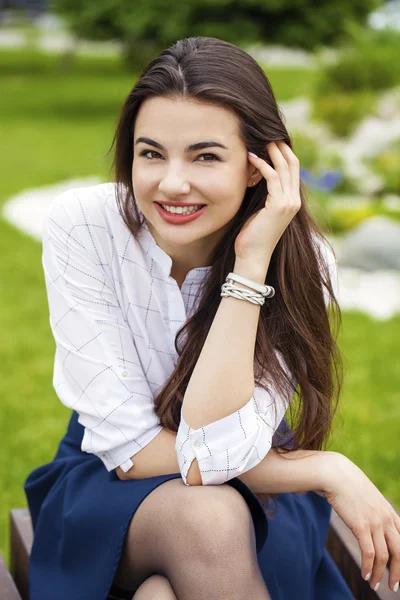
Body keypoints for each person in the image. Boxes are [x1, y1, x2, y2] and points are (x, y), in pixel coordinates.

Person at [24, 36, 400, 600]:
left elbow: (218, 451)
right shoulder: (85, 227)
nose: (172, 184)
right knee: (208, 516)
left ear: (259, 167)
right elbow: (129, 454)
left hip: (259, 493)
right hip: (104, 482)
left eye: (205, 156)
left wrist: (250, 266)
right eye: (151, 153)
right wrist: (325, 470)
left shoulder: (301, 260)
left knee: (165, 589)